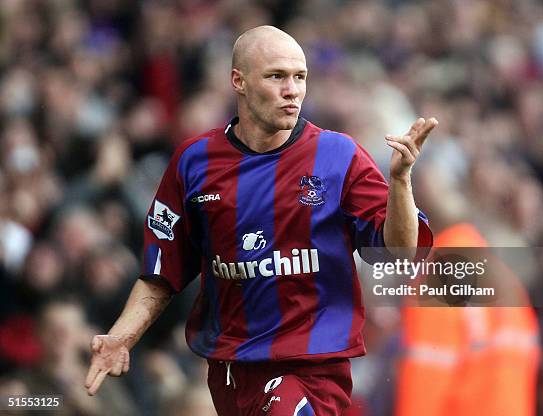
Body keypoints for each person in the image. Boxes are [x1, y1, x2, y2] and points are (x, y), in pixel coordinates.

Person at [84, 25, 436, 416]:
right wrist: (121, 337)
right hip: (230, 370)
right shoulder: (194, 163)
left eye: (300, 77)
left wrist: (401, 181)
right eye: (276, 76)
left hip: (310, 368)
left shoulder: (339, 157)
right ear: (239, 81)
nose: (292, 90)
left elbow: (401, 252)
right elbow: (161, 272)